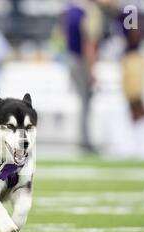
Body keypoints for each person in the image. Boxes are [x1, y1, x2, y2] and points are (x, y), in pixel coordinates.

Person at [64, 0, 103, 152]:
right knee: (86, 101)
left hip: (72, 58)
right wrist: (92, 69)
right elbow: (89, 43)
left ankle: (84, 137)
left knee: (84, 101)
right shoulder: (88, 12)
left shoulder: (71, 9)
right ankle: (84, 139)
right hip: (81, 60)